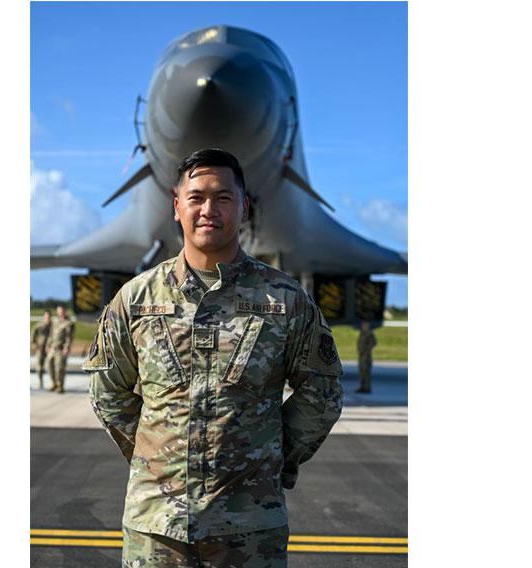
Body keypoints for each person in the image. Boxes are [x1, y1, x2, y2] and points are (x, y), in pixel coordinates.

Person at [85, 148, 343, 567]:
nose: (209, 209)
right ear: (176, 207)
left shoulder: (284, 300)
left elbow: (322, 392)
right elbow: (107, 391)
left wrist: (272, 457)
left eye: (223, 197)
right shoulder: (136, 299)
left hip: (249, 528)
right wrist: (155, 459)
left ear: (244, 207)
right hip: (156, 527)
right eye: (197, 197)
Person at [45, 305, 75, 394]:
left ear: (65, 311)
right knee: (49, 365)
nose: (60, 312)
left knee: (59, 368)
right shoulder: (55, 321)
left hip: (61, 349)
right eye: (59, 311)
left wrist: (67, 348)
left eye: (62, 310)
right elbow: (51, 334)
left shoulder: (69, 323)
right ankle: (54, 383)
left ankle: (60, 386)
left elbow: (69, 337)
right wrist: (48, 345)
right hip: (52, 348)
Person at [31, 310, 52, 389]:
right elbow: (33, 334)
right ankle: (40, 382)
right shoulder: (39, 325)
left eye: (49, 317)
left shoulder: (53, 325)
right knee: (39, 367)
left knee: (50, 366)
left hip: (49, 348)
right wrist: (34, 344)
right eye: (46, 316)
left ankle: (52, 383)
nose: (47, 318)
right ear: (44, 317)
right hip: (40, 348)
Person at [356, 319, 378, 393]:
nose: (363, 326)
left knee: (366, 372)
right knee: (361, 371)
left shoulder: (369, 333)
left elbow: (374, 343)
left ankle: (367, 388)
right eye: (362, 324)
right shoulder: (362, 333)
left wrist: (366, 350)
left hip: (366, 356)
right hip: (361, 355)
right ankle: (362, 387)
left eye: (365, 324)